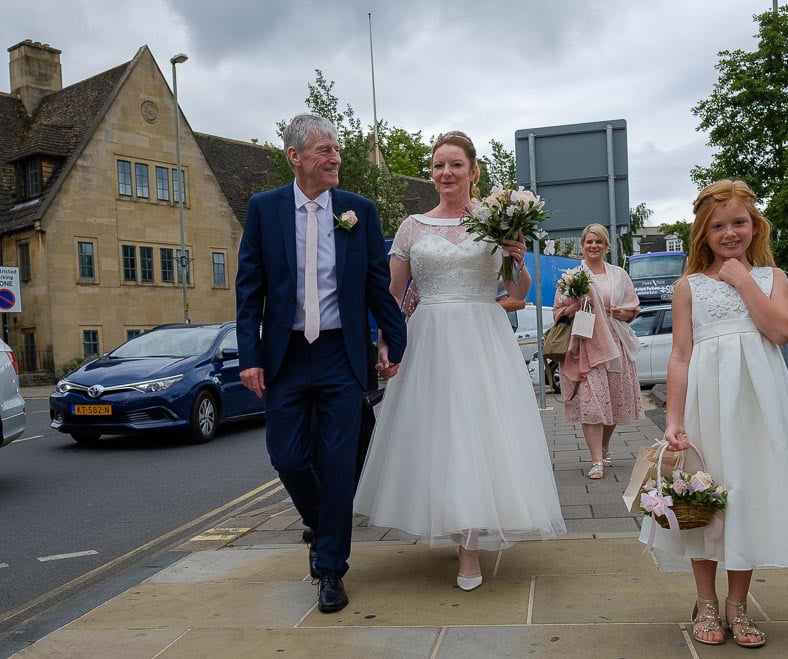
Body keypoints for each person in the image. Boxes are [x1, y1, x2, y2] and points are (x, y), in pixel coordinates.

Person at [353, 131, 565, 591]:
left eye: (454, 165)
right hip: (428, 336)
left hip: (482, 337)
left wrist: (518, 257)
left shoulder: (496, 223)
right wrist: (386, 343)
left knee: (477, 431)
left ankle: (469, 546)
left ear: (473, 170)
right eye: (437, 166)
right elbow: (392, 294)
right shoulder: (413, 227)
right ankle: (456, 529)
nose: (445, 173)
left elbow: (517, 293)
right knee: (437, 436)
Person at [641, 179, 788, 647]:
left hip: (756, 406)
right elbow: (681, 355)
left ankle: (737, 605)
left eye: (739, 223)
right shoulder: (688, 286)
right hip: (709, 400)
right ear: (702, 234)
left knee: (745, 496)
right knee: (704, 501)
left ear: (755, 226)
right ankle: (706, 601)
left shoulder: (773, 278)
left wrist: (746, 281)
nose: (730, 233)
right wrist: (673, 419)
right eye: (718, 226)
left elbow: (781, 331)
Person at [235, 114, 407, 614]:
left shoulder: (359, 212)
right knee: (287, 458)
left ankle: (330, 567)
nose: (335, 159)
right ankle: (322, 522)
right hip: (286, 355)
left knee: (337, 464)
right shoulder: (264, 210)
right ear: (295, 157)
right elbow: (250, 290)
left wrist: (392, 341)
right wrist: (250, 356)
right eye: (324, 151)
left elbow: (378, 284)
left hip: (339, 354)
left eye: (336, 150)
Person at [554, 224, 643, 479]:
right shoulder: (571, 275)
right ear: (583, 245)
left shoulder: (619, 275)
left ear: (606, 246)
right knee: (592, 404)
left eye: (599, 242)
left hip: (615, 343)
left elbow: (633, 310)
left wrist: (622, 312)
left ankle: (604, 446)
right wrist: (578, 305)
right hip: (585, 343)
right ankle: (596, 461)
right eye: (589, 242)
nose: (594, 246)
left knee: (613, 400)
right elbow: (558, 314)